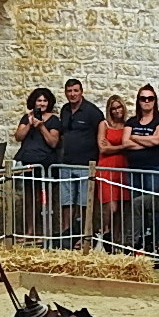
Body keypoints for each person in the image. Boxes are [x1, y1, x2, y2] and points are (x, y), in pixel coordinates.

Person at [48, 78, 101, 244]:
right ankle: (67, 236)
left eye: (76, 90)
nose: (72, 94)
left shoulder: (92, 112)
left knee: (85, 203)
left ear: (82, 91)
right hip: (67, 164)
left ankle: (85, 238)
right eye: (69, 91)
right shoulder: (64, 110)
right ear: (65, 93)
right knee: (67, 202)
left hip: (86, 164)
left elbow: (100, 134)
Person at [126, 85, 159, 252]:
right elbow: (125, 143)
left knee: (156, 206)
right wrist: (147, 141)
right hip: (134, 170)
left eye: (150, 98)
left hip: (155, 169)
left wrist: (134, 137)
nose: (146, 101)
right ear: (138, 101)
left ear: (155, 101)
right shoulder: (131, 121)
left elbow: (157, 141)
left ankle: (158, 242)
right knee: (136, 206)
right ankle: (137, 243)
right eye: (143, 98)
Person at [11, 87, 60, 239]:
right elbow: (18, 137)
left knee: (45, 199)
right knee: (28, 199)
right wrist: (29, 124)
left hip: (45, 164)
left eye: (45, 100)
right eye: (39, 100)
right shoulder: (27, 118)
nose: (42, 103)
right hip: (28, 162)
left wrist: (41, 126)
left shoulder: (54, 120)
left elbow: (53, 142)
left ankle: (44, 231)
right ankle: (30, 231)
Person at [92, 95, 133, 248]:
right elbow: (103, 148)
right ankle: (103, 237)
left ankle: (116, 243)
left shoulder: (128, 126)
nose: (117, 111)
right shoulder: (104, 124)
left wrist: (113, 147)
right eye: (113, 108)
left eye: (119, 107)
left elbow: (112, 146)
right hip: (107, 168)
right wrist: (123, 147)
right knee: (110, 206)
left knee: (122, 208)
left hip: (123, 168)